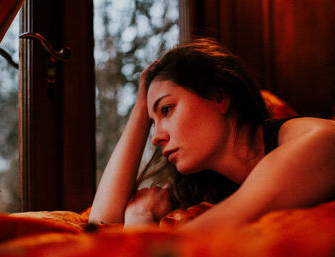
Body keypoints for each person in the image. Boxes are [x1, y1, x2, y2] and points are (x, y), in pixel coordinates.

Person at [88, 38, 335, 231]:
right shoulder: (207, 184)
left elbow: (167, 256)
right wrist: (141, 107)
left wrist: (139, 218)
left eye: (167, 109)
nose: (156, 137)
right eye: (152, 123)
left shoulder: (316, 140)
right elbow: (101, 224)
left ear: (219, 96)